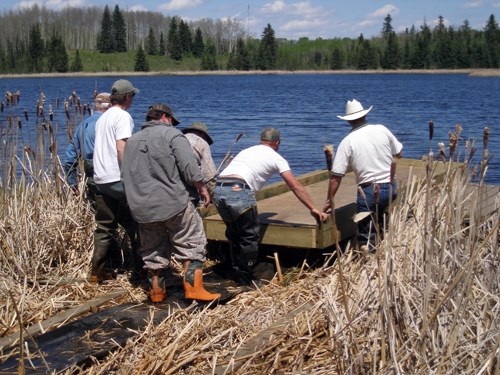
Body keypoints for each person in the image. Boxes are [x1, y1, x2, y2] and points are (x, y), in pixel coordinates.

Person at [121, 103, 221, 303]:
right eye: (172, 121)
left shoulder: (131, 141)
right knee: (192, 242)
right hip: (174, 203)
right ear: (165, 117)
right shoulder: (173, 135)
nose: (172, 124)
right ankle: (194, 289)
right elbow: (188, 165)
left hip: (142, 207)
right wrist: (202, 188)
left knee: (153, 250)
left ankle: (156, 293)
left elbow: (125, 175)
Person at [213, 127, 328, 285]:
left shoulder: (247, 150)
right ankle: (245, 277)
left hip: (219, 188)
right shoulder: (276, 158)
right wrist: (312, 208)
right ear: (277, 143)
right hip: (239, 190)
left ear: (261, 140)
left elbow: (233, 166)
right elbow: (295, 186)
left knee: (233, 233)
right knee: (249, 236)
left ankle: (234, 268)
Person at [323, 99, 403, 252]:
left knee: (366, 233)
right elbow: (399, 153)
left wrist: (329, 200)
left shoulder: (347, 141)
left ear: (349, 121)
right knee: (382, 222)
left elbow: (336, 176)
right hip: (390, 186)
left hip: (368, 191)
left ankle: (369, 260)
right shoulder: (382, 129)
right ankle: (385, 252)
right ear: (365, 115)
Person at [90, 79, 143, 283]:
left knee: (104, 226)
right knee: (138, 223)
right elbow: (122, 147)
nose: (133, 100)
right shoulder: (123, 116)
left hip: (101, 179)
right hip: (117, 178)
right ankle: (141, 271)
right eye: (133, 96)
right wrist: (131, 176)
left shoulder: (103, 117)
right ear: (128, 97)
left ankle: (98, 272)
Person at [63, 92, 111, 206]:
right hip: (110, 172)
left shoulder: (83, 125)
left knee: (97, 207)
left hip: (91, 172)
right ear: (110, 106)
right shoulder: (112, 124)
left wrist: (73, 185)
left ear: (96, 105)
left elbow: (70, 159)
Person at [182, 121, 217, 205]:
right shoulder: (201, 142)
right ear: (203, 134)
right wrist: (213, 198)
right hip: (188, 193)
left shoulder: (176, 139)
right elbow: (209, 175)